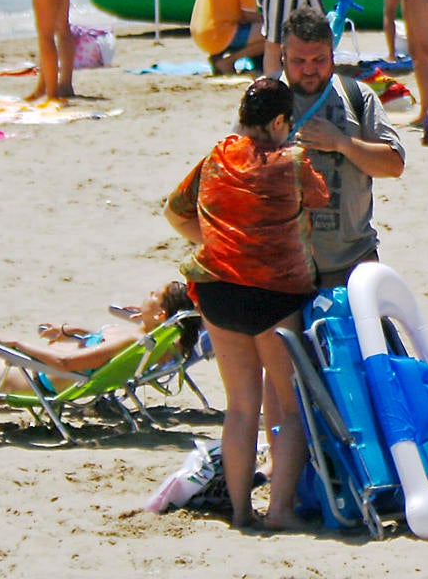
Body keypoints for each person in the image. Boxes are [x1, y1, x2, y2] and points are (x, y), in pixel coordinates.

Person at [163, 78, 329, 530]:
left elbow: (176, 211)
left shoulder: (217, 155)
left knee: (239, 407)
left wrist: (217, 240)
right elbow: (319, 197)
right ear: (279, 121)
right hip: (273, 294)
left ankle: (239, 512)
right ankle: (279, 511)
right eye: (288, 125)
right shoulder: (291, 160)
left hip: (217, 288)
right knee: (288, 407)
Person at [279, 6, 406, 289]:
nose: (310, 69)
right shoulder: (269, 98)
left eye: (319, 59)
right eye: (299, 60)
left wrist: (342, 143)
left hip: (352, 262)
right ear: (283, 56)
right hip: (283, 267)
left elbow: (393, 165)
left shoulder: (357, 96)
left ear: (333, 57)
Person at [0, 280, 199, 399]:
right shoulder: (156, 342)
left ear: (161, 315)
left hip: (34, 379)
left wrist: (21, 347)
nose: (149, 292)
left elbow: (66, 363)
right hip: (41, 374)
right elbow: (104, 351)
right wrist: (78, 331)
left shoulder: (133, 340)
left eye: (154, 295)